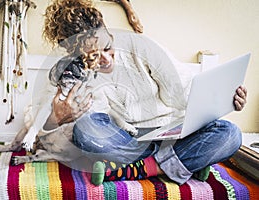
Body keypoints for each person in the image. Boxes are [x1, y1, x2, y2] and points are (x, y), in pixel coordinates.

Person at [42, 0, 247, 186]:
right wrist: (58, 118)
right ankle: (182, 161)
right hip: (127, 140)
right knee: (85, 130)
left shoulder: (141, 47)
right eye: (93, 56)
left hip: (171, 131)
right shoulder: (72, 75)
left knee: (230, 134)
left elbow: (182, 91)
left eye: (107, 47)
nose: (105, 58)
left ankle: (138, 168)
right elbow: (57, 135)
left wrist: (224, 99)